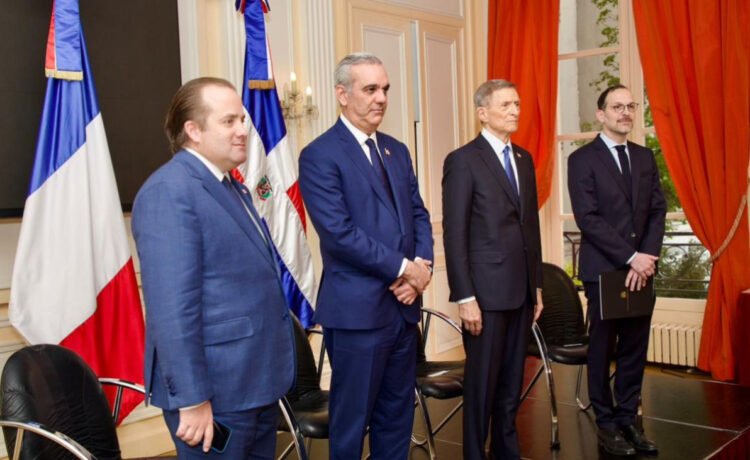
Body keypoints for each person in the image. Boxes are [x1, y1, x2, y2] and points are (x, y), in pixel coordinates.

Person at [131, 77, 295, 459]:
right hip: (214, 396)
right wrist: (191, 399)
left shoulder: (231, 187)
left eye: (242, 120)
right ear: (193, 130)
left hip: (254, 384)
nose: (242, 131)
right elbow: (171, 310)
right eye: (228, 121)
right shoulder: (169, 191)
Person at [298, 52, 433, 459]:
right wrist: (404, 269)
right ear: (342, 94)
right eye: (370, 89)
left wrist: (421, 268)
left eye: (385, 89)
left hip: (403, 310)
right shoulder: (319, 155)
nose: (381, 98)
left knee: (397, 417)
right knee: (351, 423)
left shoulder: (397, 150)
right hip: (357, 315)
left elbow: (418, 215)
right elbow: (340, 234)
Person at [442, 79, 544, 459]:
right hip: (484, 295)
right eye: (506, 105)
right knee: (482, 388)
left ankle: (506, 452)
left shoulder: (524, 159)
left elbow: (530, 227)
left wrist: (536, 287)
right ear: (482, 113)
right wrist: (464, 296)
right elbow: (454, 234)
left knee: (511, 387)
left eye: (517, 103)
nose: (515, 111)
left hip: (521, 293)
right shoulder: (463, 160)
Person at [568, 84, 666, 456]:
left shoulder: (645, 156)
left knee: (635, 350)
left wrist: (647, 256)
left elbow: (657, 210)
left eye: (630, 106)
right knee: (601, 350)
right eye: (617, 106)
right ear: (601, 114)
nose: (625, 112)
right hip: (605, 271)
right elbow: (588, 218)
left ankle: (628, 420)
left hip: (643, 269)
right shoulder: (582, 160)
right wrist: (631, 257)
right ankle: (606, 425)